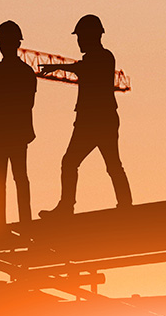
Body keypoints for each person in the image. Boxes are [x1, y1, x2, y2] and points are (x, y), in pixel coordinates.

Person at [38, 14, 132, 218]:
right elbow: (84, 68)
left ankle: (124, 204)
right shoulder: (93, 59)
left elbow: (85, 69)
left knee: (107, 163)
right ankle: (68, 207)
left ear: (91, 36)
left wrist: (58, 66)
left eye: (80, 37)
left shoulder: (105, 57)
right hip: (90, 120)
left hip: (99, 121)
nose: (78, 41)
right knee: (73, 162)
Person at [0, 21, 37, 225]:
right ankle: (25, 221)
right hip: (17, 134)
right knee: (20, 179)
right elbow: (28, 104)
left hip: (0, 134)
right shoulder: (27, 72)